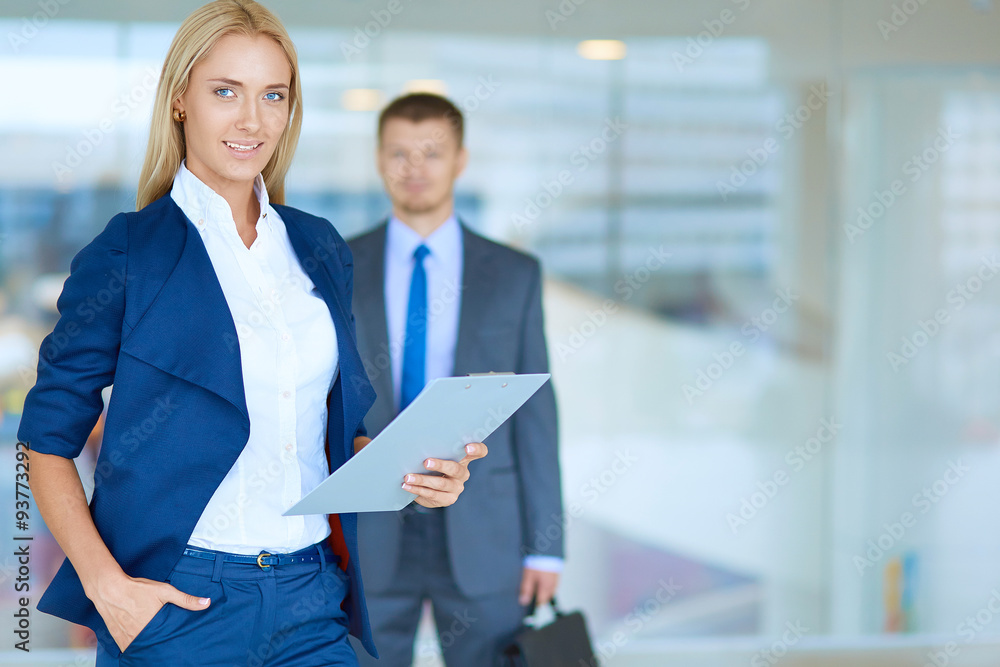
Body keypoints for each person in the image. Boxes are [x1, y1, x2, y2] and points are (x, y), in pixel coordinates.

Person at [17, 3, 486, 666]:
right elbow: (44, 441)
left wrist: (416, 471)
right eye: (225, 92)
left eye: (274, 95)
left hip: (309, 596)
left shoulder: (318, 246)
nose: (252, 120)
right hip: (179, 606)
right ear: (181, 100)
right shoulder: (129, 251)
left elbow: (332, 432)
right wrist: (107, 588)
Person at [348, 93, 563, 666]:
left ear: (460, 160)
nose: (414, 168)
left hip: (485, 529)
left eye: (431, 153)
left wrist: (548, 549)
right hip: (371, 525)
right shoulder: (339, 266)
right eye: (399, 153)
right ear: (378, 160)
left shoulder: (515, 274)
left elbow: (537, 419)